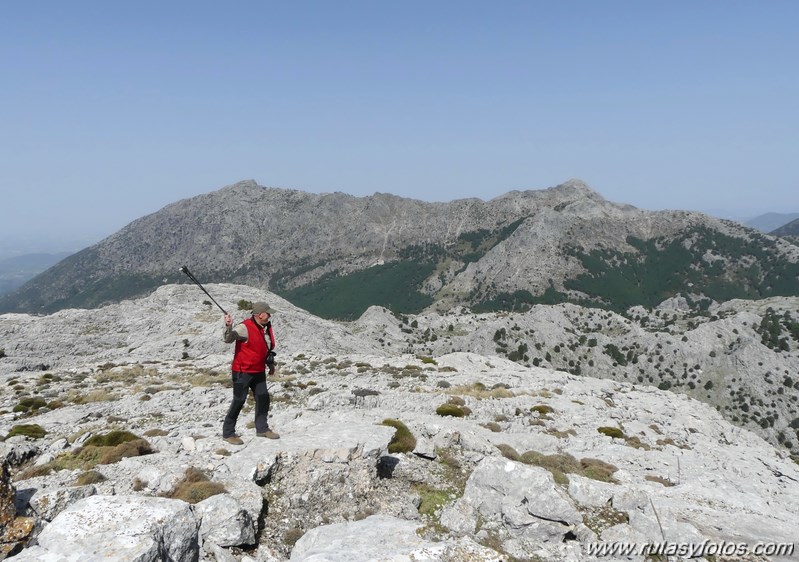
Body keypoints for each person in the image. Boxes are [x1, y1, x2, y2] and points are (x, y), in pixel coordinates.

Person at [221, 301, 279, 444]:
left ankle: (262, 428)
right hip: (243, 371)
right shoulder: (244, 327)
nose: (270, 315)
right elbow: (228, 339)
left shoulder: (264, 327)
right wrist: (229, 326)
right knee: (239, 400)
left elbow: (264, 348)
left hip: (258, 371)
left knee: (263, 397)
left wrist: (270, 364)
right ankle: (228, 433)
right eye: (268, 313)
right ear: (260, 315)